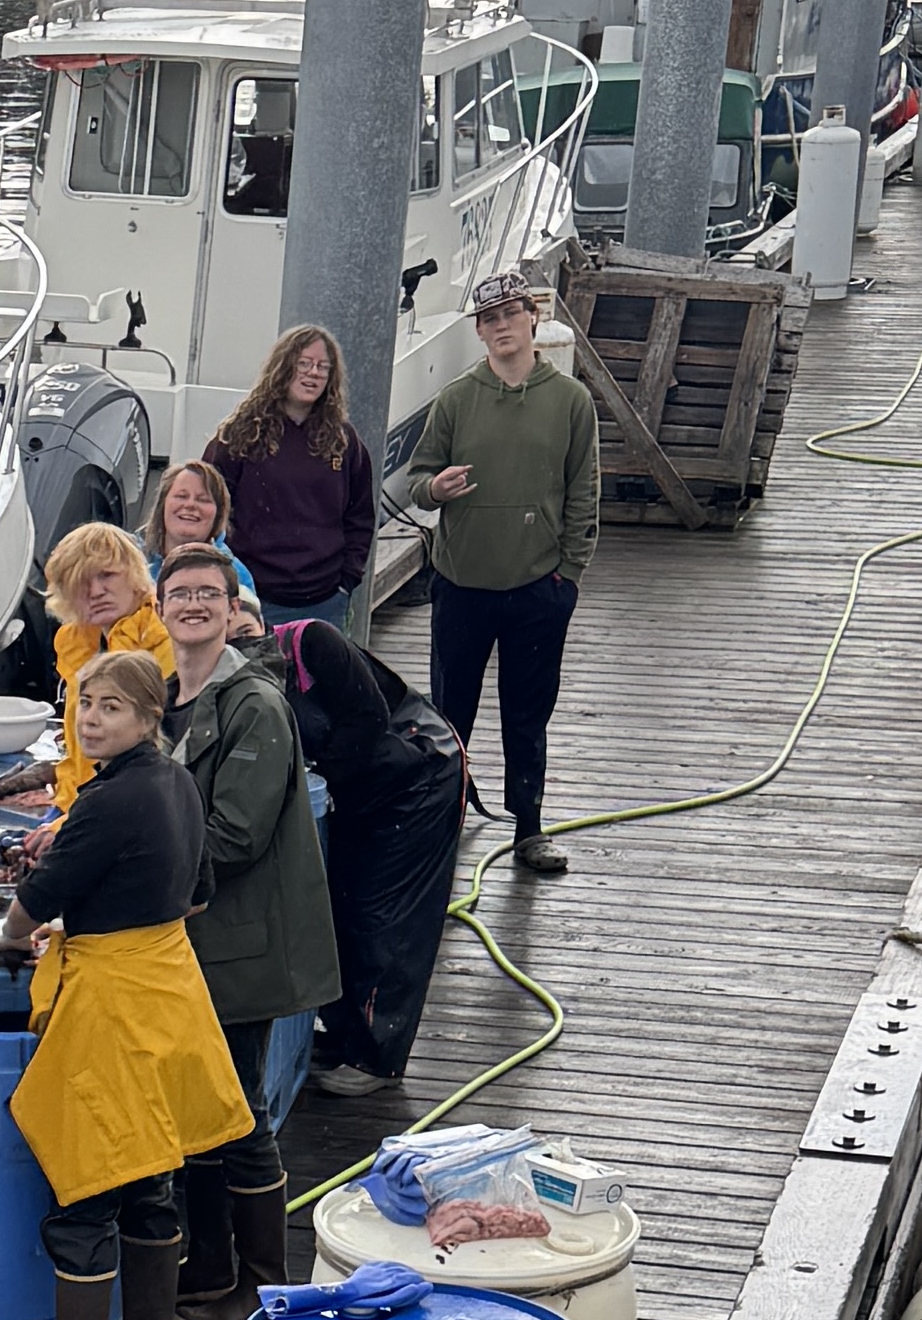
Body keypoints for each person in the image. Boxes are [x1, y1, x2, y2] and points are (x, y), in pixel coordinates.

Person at [0, 649, 251, 1320]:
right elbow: (198, 891)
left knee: (86, 1187)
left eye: (109, 707)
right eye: (84, 703)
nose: (91, 719)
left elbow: (39, 896)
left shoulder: (107, 801)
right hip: (169, 987)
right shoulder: (177, 782)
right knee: (149, 1177)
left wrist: (9, 941)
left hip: (112, 1007)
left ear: (147, 718)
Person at [155, 546, 340, 1320]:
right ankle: (209, 1265)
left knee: (239, 1110)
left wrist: (130, 874)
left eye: (209, 593)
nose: (193, 603)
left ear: (235, 611)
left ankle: (262, 1286)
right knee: (203, 1106)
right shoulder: (170, 697)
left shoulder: (253, 705)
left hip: (241, 948)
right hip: (196, 947)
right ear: (160, 607)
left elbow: (232, 835)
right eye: (179, 592)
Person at [404, 270, 602, 876]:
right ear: (479, 331)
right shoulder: (457, 398)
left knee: (527, 713)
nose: (501, 327)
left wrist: (567, 573)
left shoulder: (570, 400)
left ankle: (529, 828)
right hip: (461, 586)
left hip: (538, 589)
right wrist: (434, 489)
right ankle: (446, 817)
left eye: (510, 314)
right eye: (489, 319)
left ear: (531, 318)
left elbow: (584, 491)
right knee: (449, 713)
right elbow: (417, 479)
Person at [277, 611, 470, 1110]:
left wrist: (317, 771)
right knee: (340, 903)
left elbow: (367, 718)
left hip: (420, 776)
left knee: (382, 915)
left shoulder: (311, 643)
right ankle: (342, 1032)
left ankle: (377, 1055)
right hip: (359, 791)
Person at [204, 325, 378, 633]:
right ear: (283, 367)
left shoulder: (344, 441)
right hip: (253, 597)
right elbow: (209, 505)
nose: (313, 373)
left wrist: (347, 580)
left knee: (320, 682)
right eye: (304, 363)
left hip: (325, 600)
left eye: (323, 367)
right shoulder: (240, 434)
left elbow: (360, 516)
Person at [4, 522, 174, 813]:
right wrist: (60, 784)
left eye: (107, 575)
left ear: (135, 576)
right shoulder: (76, 642)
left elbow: (146, 758)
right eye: (81, 582)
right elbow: (86, 752)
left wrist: (72, 819)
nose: (95, 591)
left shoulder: (162, 638)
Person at [141, 458, 260, 610]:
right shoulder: (131, 560)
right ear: (162, 505)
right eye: (181, 496)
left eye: (203, 499)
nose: (190, 505)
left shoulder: (236, 575)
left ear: (218, 515)